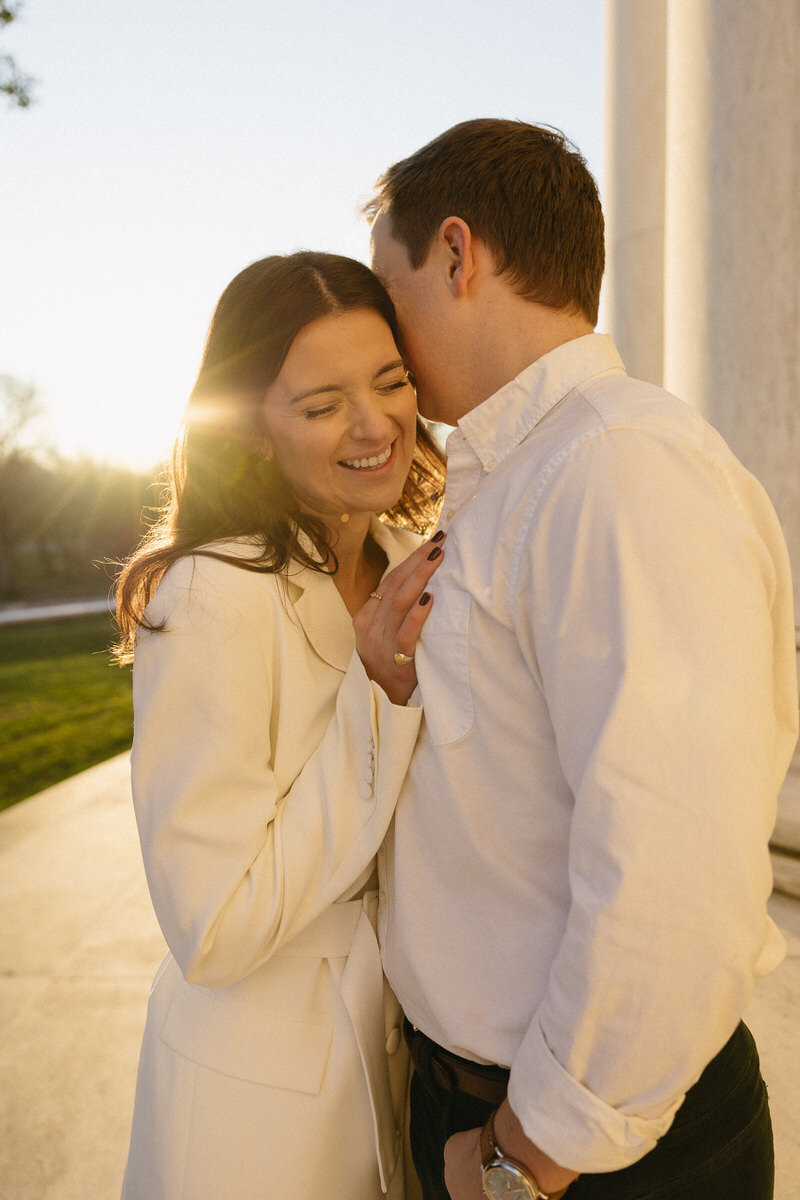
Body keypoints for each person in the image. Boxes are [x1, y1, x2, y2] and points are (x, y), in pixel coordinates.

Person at [365, 118, 798, 1200]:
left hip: (587, 1158)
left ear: (456, 253)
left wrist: (525, 1158)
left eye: (387, 287)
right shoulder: (522, 473)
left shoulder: (616, 468)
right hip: (494, 1118)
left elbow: (674, 872)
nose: (382, 330)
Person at [114, 250, 446, 1200]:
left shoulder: (419, 563)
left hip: (401, 1072)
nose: (374, 424)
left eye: (391, 381)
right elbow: (211, 926)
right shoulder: (211, 594)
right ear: (255, 432)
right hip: (251, 1111)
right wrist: (374, 696)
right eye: (322, 404)